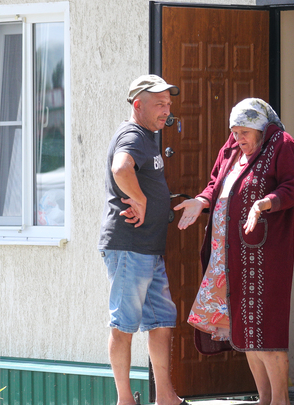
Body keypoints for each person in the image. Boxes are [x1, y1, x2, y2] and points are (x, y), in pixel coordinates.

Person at [174, 98, 294, 405]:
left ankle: (280, 401)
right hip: (229, 256)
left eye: (245, 131)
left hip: (264, 257)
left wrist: (264, 203)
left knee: (266, 329)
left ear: (261, 127)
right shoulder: (231, 149)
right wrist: (201, 200)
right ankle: (264, 399)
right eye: (235, 131)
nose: (239, 138)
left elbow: (293, 186)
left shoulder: (282, 145)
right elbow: (215, 184)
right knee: (245, 328)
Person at [98, 74, 186, 405]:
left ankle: (165, 397)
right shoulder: (133, 134)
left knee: (162, 322)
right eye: (160, 104)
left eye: (168, 103)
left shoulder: (149, 136)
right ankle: (125, 400)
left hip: (149, 248)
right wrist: (140, 200)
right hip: (129, 247)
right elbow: (122, 168)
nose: (167, 110)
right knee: (124, 325)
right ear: (138, 105)